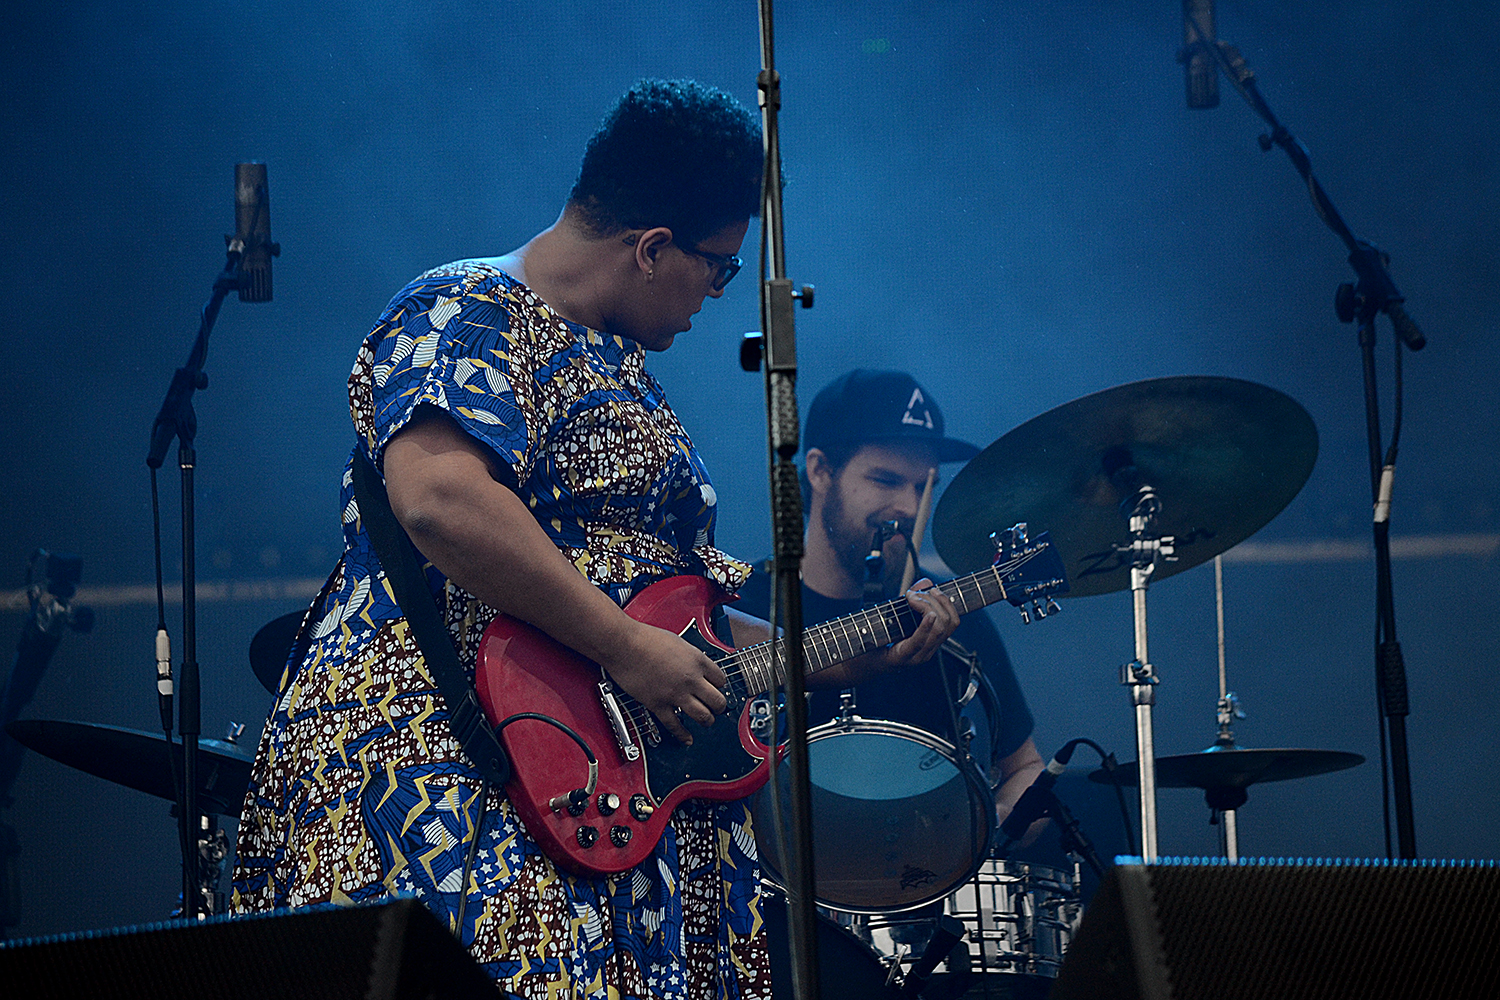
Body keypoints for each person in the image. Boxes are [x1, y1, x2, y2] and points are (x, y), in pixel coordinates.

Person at [231, 81, 960, 1000]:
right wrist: (623, 647)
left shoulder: (620, 364)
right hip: (463, 772)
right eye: (720, 267)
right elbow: (442, 502)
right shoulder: (464, 309)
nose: (718, 294)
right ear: (654, 250)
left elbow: (664, 624)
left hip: (612, 805)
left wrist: (825, 658)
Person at [735, 370, 1046, 828]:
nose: (908, 505)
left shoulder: (951, 612)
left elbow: (1024, 769)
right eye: (886, 479)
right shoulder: (743, 603)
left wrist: (985, 832)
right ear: (820, 471)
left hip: (918, 887)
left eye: (923, 488)